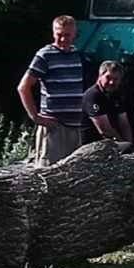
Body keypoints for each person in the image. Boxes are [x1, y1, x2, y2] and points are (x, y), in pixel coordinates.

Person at [18, 15, 90, 166]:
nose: (63, 39)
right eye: (59, 35)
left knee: (72, 175)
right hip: (54, 128)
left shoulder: (76, 54)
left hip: (74, 127)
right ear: (53, 33)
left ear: (74, 34)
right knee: (49, 175)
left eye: (67, 35)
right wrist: (36, 117)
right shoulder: (45, 55)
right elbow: (23, 87)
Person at [82, 60, 134, 148]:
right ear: (100, 76)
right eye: (108, 78)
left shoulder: (116, 94)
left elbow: (124, 123)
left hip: (113, 144)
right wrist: (125, 146)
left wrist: (129, 143)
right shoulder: (92, 95)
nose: (111, 82)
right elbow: (104, 129)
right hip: (92, 146)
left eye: (115, 79)